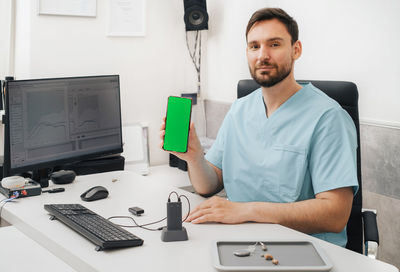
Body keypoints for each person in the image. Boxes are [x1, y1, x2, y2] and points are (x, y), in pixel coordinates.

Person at [160, 7, 358, 247]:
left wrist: (245, 211)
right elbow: (208, 185)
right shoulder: (239, 110)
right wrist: (193, 157)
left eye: (274, 44)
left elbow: (335, 215)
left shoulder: (328, 117)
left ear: (296, 49)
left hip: (305, 249)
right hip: (239, 242)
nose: (262, 55)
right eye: (254, 46)